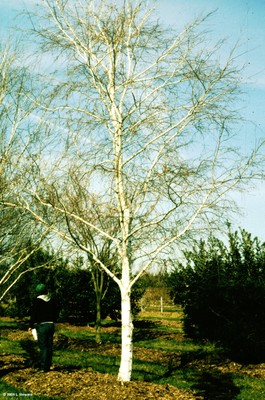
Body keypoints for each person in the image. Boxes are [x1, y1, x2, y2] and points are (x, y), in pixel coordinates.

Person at [29, 283, 57, 372]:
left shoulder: (36, 301)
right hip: (51, 325)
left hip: (42, 326)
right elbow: (56, 312)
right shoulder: (51, 300)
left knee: (43, 347)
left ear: (37, 292)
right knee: (49, 346)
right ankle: (48, 365)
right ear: (46, 291)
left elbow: (33, 314)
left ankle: (43, 368)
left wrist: (30, 325)